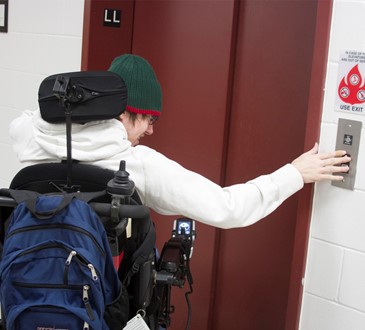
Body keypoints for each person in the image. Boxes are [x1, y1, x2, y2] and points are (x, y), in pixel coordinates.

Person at [9, 54, 350, 229]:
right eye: (150, 119)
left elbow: (23, 122)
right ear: (127, 113)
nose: (152, 131)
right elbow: (227, 208)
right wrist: (294, 173)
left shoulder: (34, 139)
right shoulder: (137, 167)